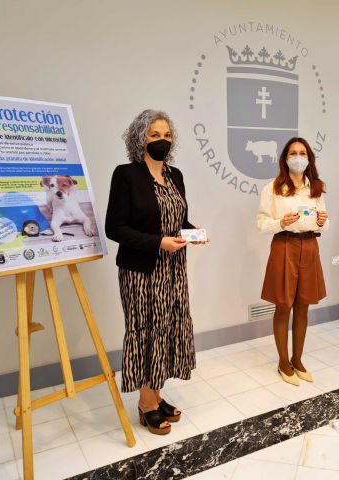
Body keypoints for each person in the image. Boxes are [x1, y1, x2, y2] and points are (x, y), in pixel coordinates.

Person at [105, 109, 201, 435]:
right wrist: (158, 242)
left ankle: (156, 394)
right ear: (140, 138)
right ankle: (146, 403)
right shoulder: (126, 175)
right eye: (154, 135)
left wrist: (192, 232)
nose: (162, 140)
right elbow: (115, 228)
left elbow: (177, 219)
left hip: (173, 269)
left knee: (168, 329)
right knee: (147, 332)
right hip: (141, 271)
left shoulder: (175, 175)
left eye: (167, 135)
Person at [257, 138, 329, 386]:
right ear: (285, 158)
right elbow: (261, 223)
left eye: (302, 153)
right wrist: (281, 222)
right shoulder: (273, 188)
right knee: (283, 305)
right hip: (284, 245)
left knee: (303, 305)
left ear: (309, 158)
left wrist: (321, 222)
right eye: (293, 153)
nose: (298, 157)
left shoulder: (316, 187)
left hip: (310, 246)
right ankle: (283, 362)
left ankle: (297, 359)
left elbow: (325, 223)